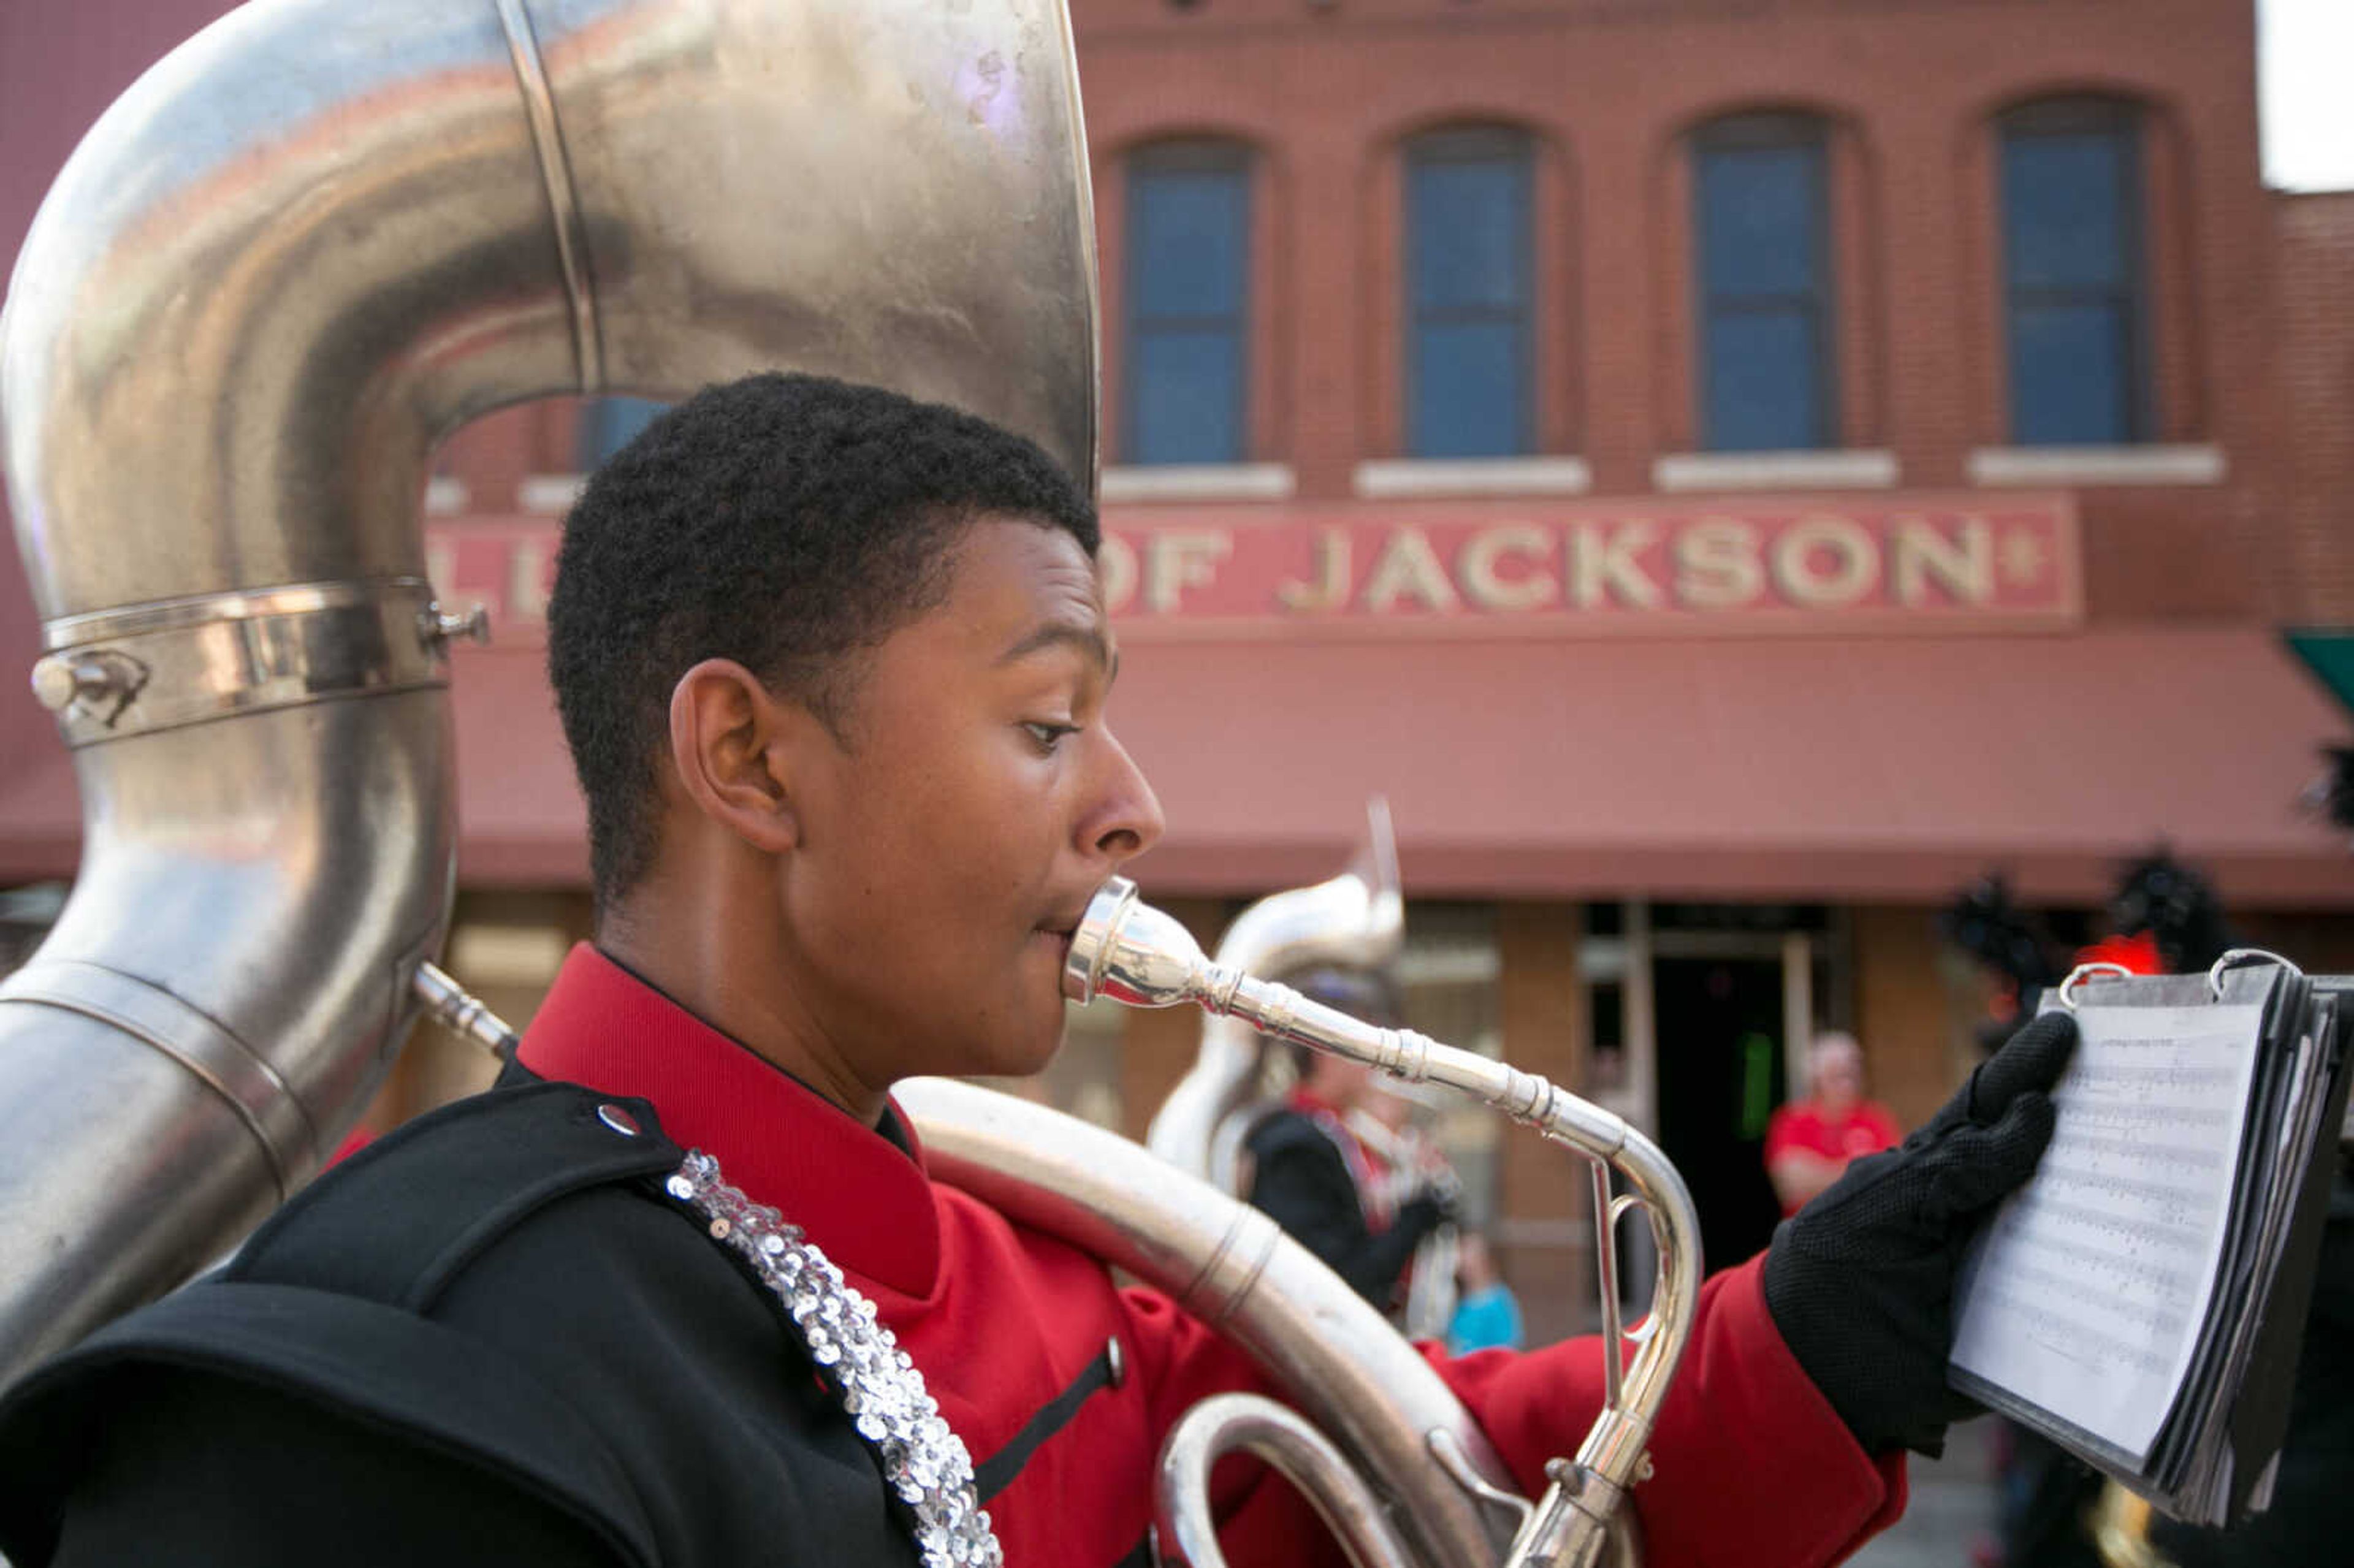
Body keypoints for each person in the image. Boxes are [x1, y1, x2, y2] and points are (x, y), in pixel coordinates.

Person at [0, 374, 2078, 1568]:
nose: (1134, 804)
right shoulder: (387, 1398)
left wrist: (1822, 1332)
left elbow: (1417, 1474)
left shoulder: (1026, 1247)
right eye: (1043, 716)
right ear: (746, 757)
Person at [1243, 967, 1455, 1314]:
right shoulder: (1295, 1146)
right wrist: (1417, 1215)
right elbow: (1341, 1276)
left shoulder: (1336, 1134)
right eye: (1361, 1050)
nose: (1372, 1065)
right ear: (1325, 1053)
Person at [1765, 1031, 1904, 1217]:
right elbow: (1792, 1186)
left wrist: (1819, 1171)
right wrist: (1862, 1171)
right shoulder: (1792, 1120)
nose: (1847, 1084)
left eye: (1852, 1075)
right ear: (1817, 1079)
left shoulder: (1875, 1118)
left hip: (1866, 1228)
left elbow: (1895, 1178)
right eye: (1837, 1075)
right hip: (1808, 1231)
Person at [1447, 1231, 1526, 1355]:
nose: (1463, 1262)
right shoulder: (1463, 1299)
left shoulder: (1500, 1302)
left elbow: (1508, 1348)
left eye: (1470, 1256)